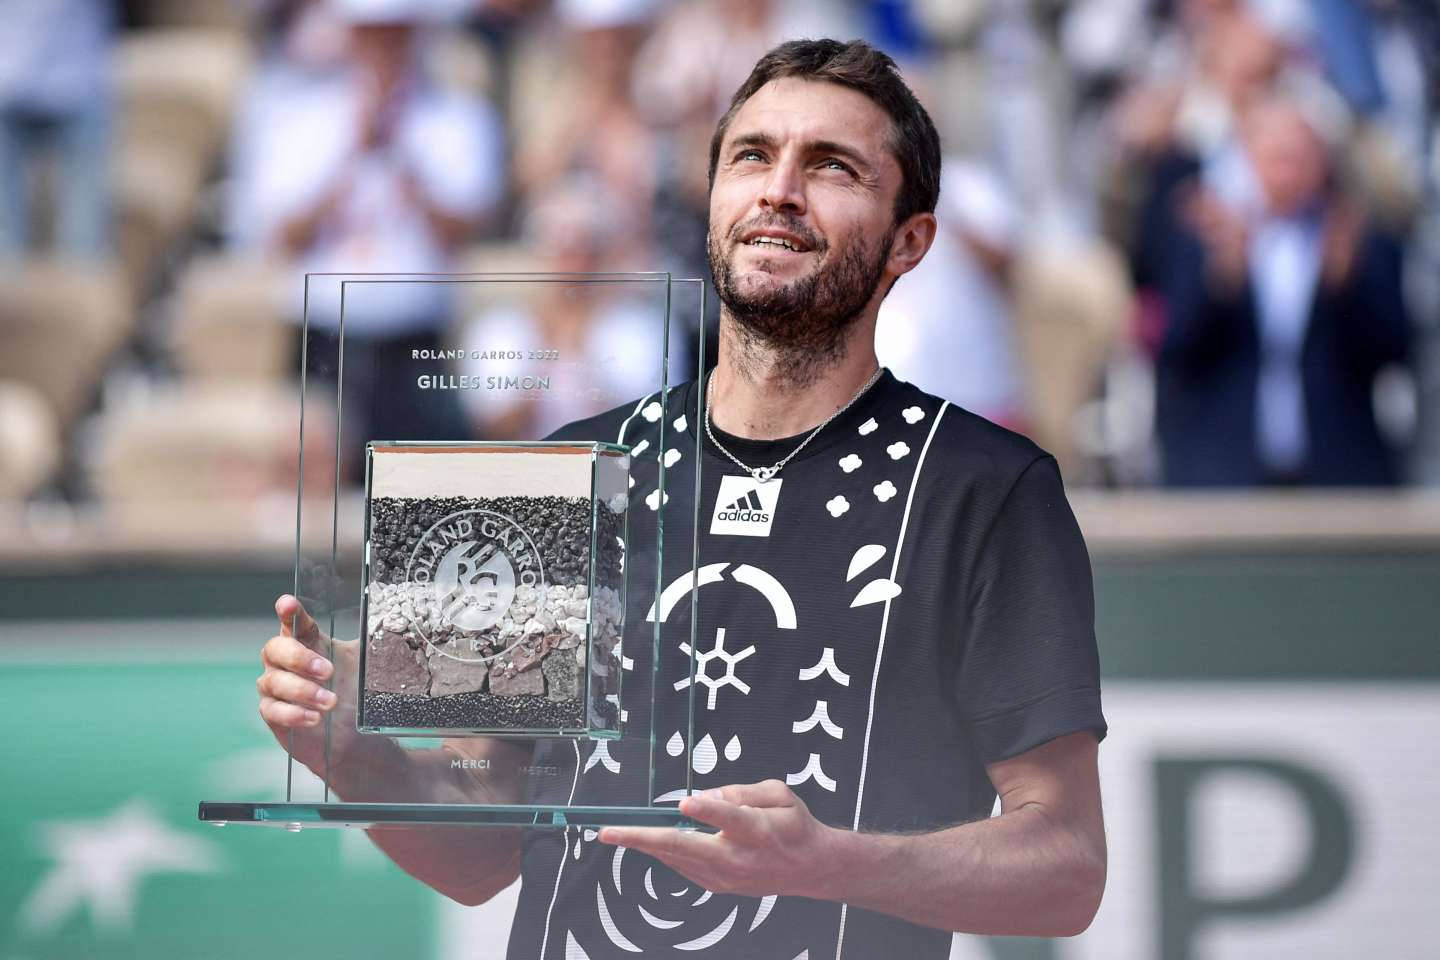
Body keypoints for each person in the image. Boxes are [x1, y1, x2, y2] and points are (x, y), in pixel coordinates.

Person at [257, 39, 1108, 958]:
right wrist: (357, 754)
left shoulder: (989, 489)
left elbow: (1066, 866)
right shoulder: (551, 471)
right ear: (713, 201)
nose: (780, 189)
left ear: (911, 240)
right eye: (751, 155)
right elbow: (483, 850)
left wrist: (826, 862)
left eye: (831, 166)